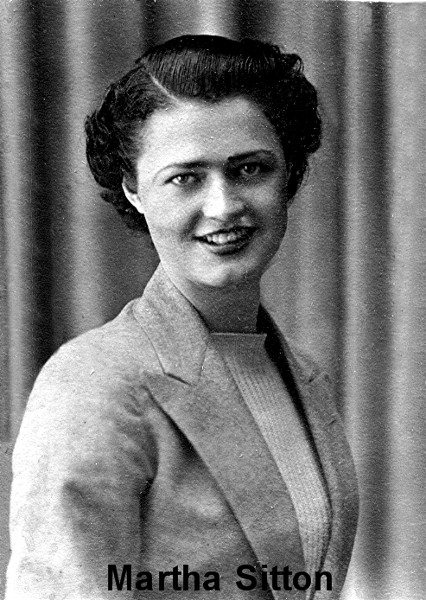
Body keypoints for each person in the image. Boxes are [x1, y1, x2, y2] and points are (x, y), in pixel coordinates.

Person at [6, 35, 358, 600]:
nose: (224, 206)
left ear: (288, 175)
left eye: (250, 169)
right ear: (133, 190)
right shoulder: (94, 385)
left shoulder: (304, 374)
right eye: (185, 178)